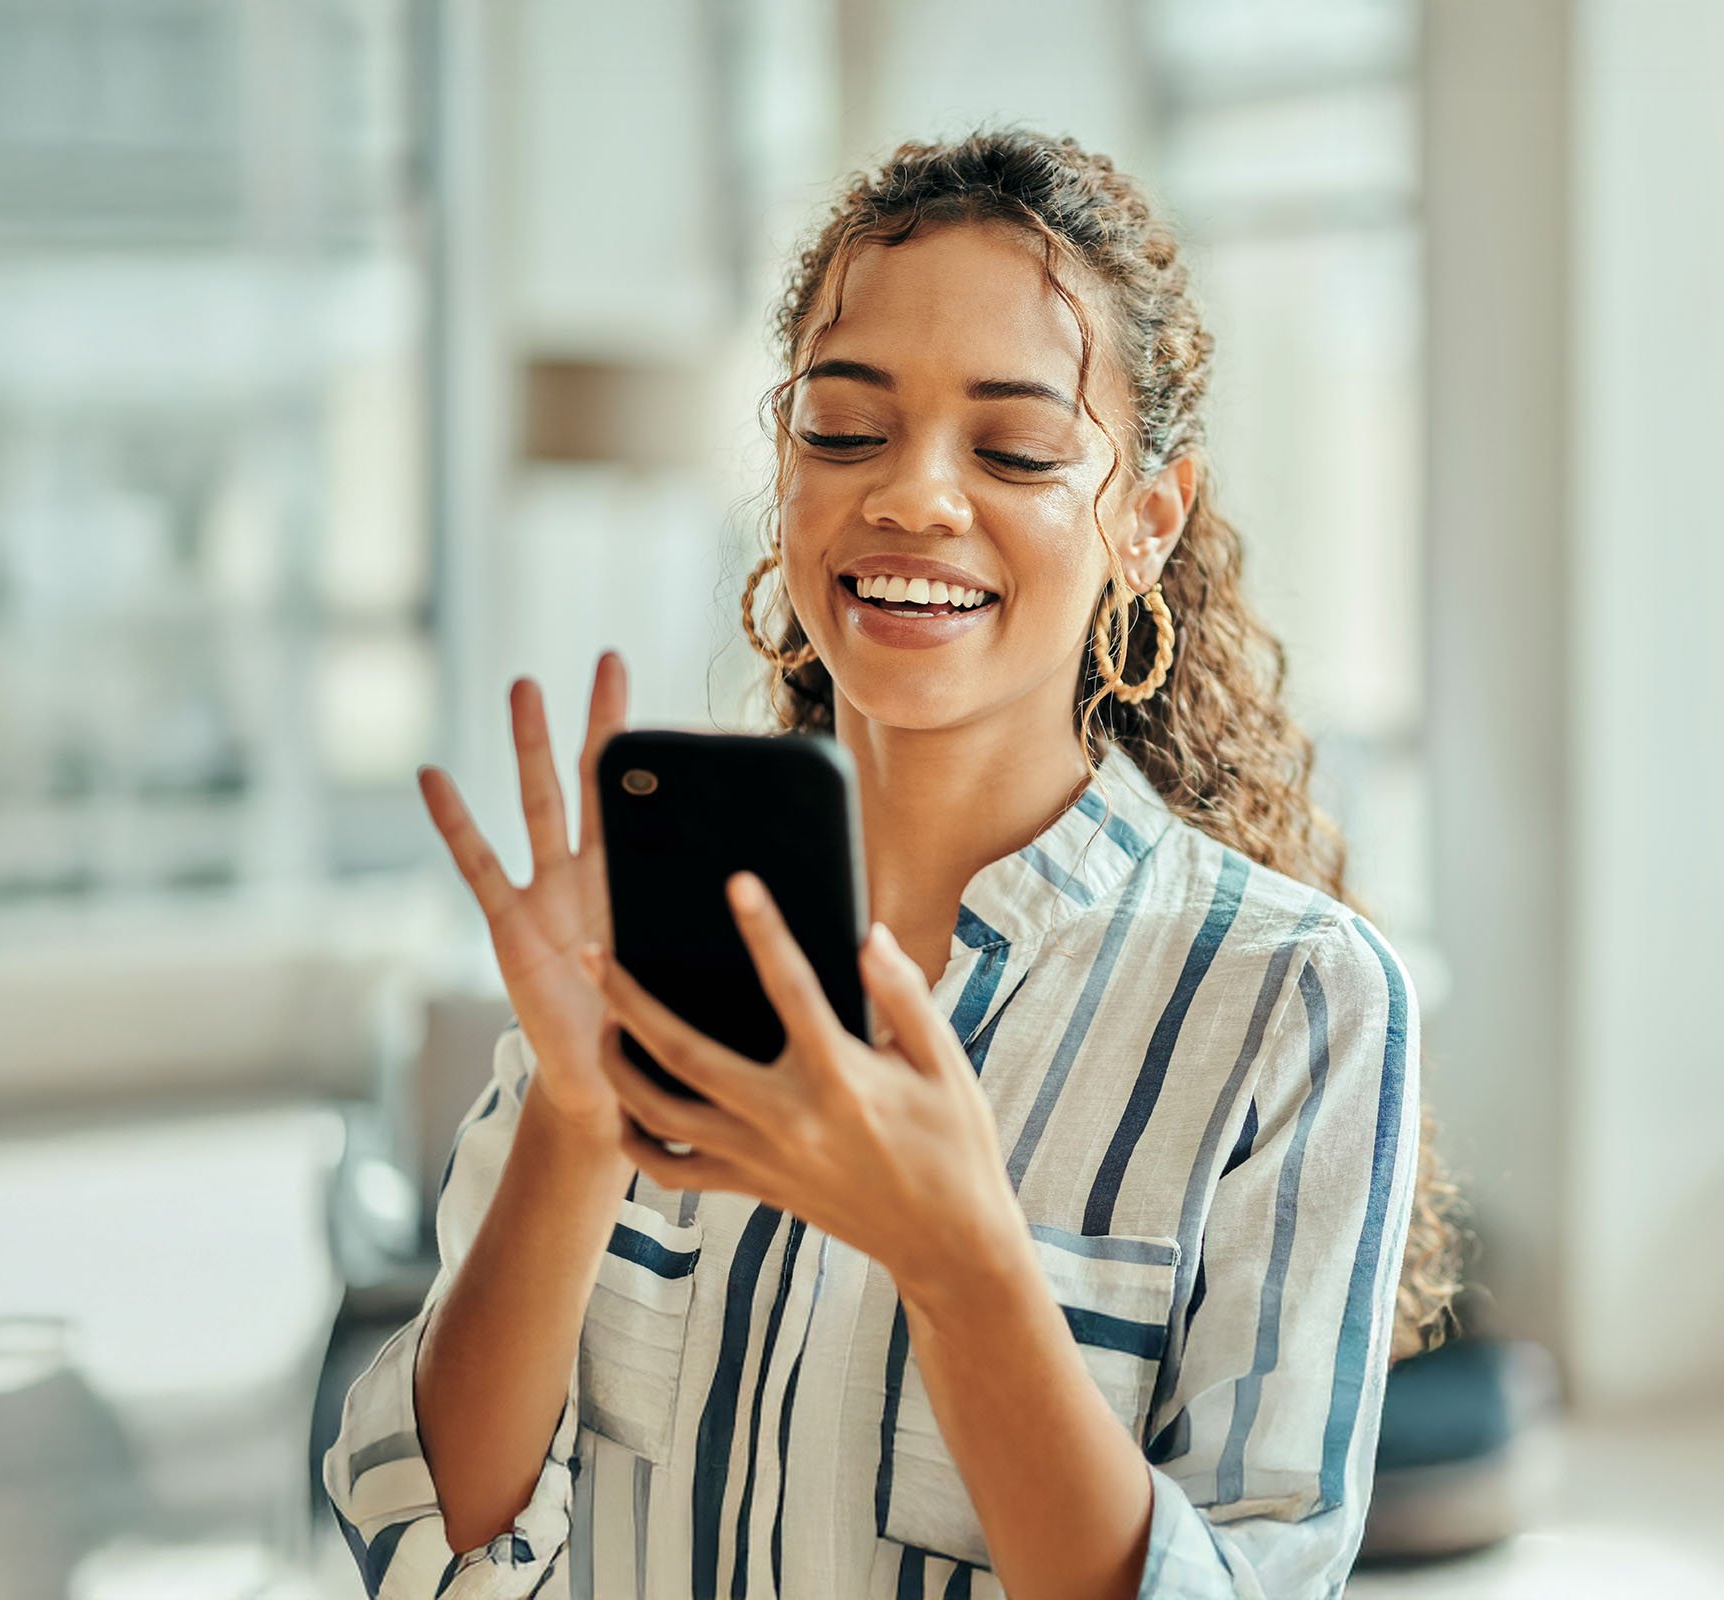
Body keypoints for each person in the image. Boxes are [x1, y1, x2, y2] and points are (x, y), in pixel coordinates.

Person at [323, 126, 1460, 1600]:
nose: (915, 497)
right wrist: (575, 1119)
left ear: (1147, 521)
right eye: (846, 429)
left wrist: (963, 1265)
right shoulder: (645, 927)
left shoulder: (1297, 1004)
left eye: (1017, 447)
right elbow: (434, 1544)